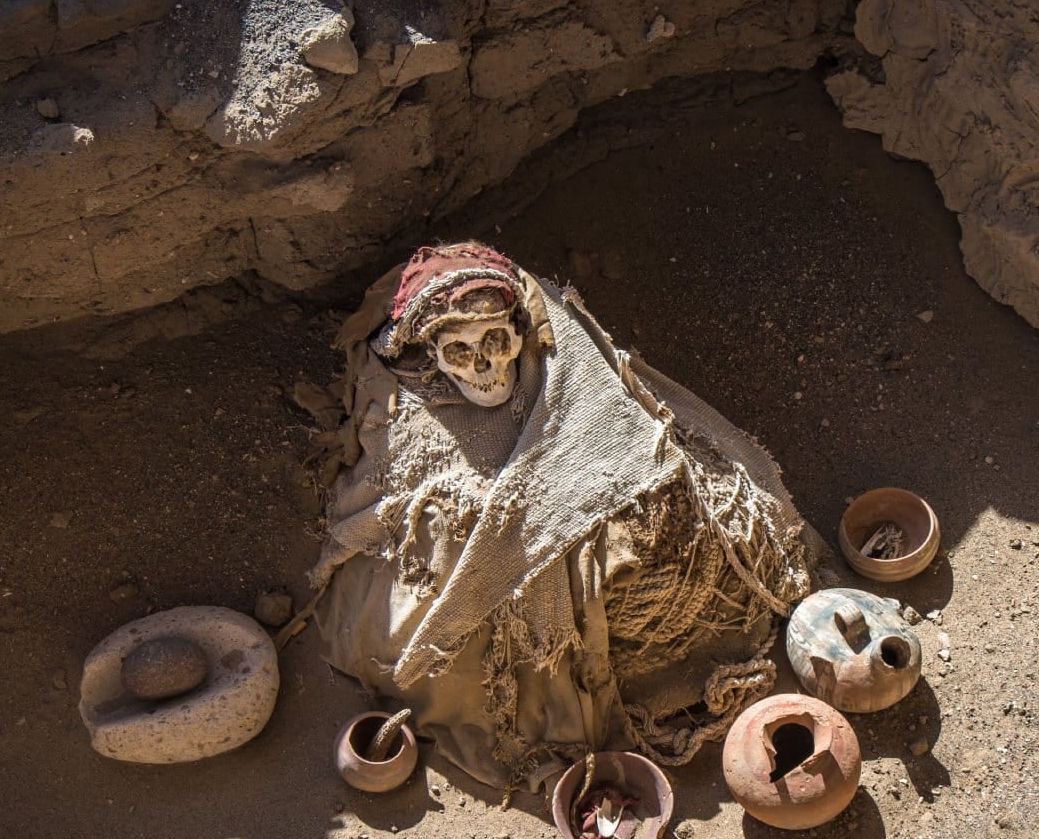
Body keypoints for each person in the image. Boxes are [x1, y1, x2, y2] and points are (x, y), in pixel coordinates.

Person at [307, 242, 814, 790]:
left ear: (519, 334)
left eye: (495, 343)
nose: (484, 368)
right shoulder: (408, 407)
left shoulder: (568, 360)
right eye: (459, 352)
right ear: (432, 356)